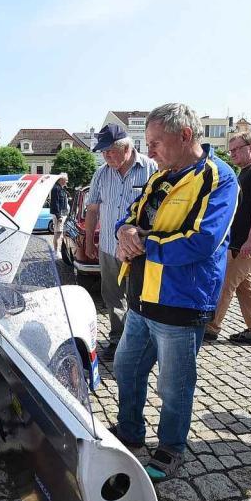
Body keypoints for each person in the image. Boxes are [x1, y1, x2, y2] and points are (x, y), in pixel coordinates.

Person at [111, 103, 238, 481]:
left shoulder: (219, 177)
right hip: (141, 298)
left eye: (155, 142)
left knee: (174, 385)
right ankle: (130, 433)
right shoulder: (160, 177)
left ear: (185, 135)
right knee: (126, 367)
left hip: (181, 303)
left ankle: (171, 447)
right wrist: (123, 232)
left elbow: (202, 242)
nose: (150, 151)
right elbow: (130, 216)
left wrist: (142, 242)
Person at [84, 124, 158, 360]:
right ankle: (117, 340)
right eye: (103, 153)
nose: (106, 156)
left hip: (139, 249)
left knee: (140, 296)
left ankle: (140, 342)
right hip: (108, 245)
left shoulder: (150, 168)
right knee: (113, 296)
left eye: (110, 151)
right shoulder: (101, 173)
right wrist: (88, 241)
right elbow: (93, 210)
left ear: (126, 147)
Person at [204, 132, 251, 345]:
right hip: (240, 243)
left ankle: (210, 327)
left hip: (245, 245)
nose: (232, 153)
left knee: (225, 283)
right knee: (246, 288)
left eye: (236, 149)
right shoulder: (245, 171)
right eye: (231, 150)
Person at [50, 173, 69, 254]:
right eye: (66, 180)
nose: (67, 181)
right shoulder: (56, 188)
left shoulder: (62, 188)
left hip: (63, 213)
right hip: (59, 214)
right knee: (58, 233)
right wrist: (59, 216)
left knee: (60, 233)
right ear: (62, 180)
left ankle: (58, 250)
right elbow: (55, 202)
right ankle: (56, 252)